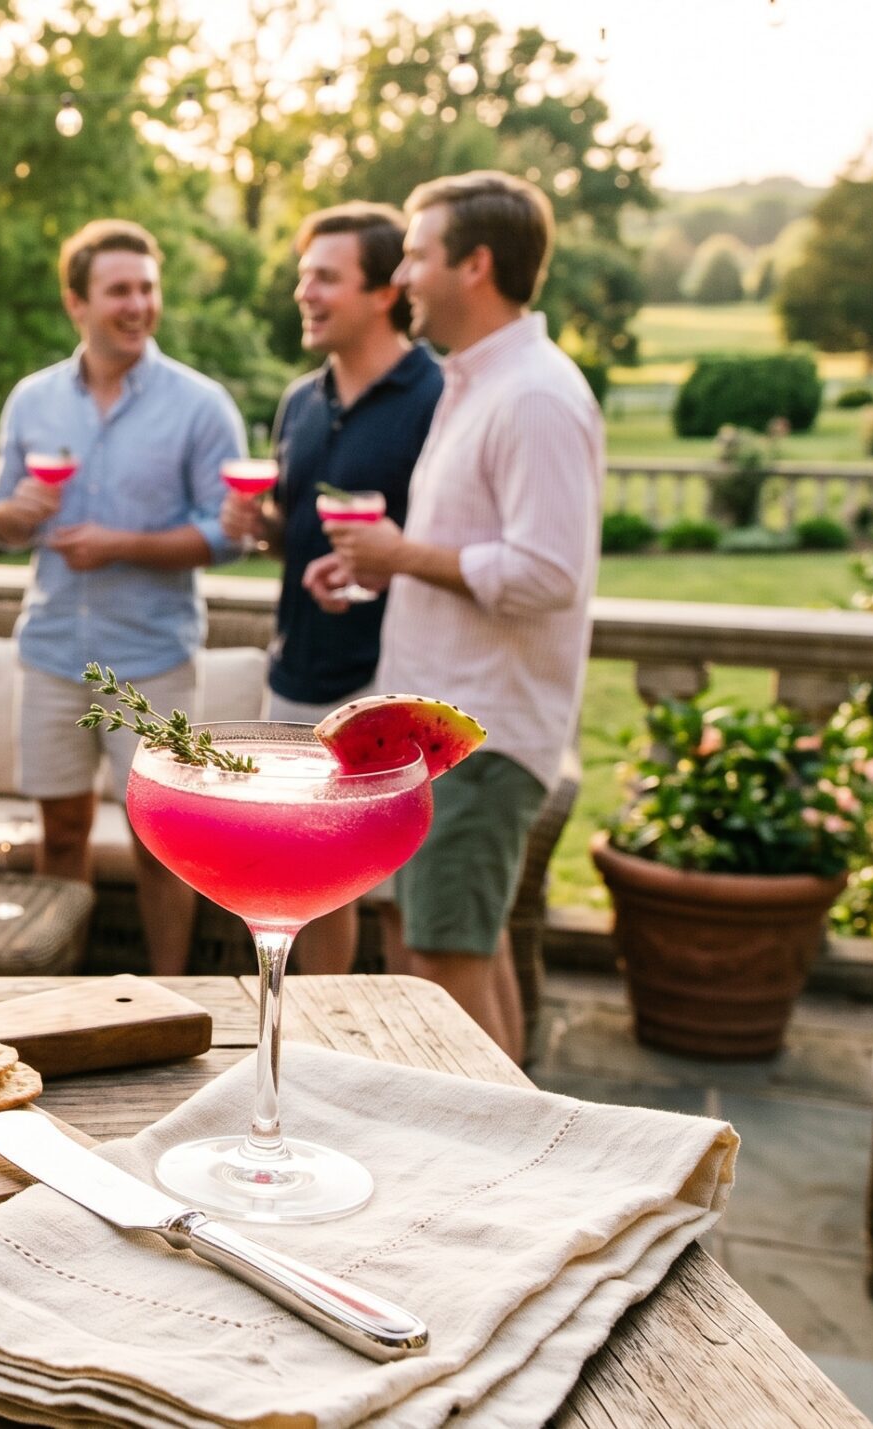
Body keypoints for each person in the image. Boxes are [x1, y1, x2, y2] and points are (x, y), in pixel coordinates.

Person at [307, 171, 603, 1061]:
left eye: (418, 255)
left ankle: (497, 1176)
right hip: (446, 726)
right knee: (464, 951)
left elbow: (548, 573)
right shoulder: (478, 384)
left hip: (483, 735)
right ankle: (511, 1152)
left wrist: (399, 555)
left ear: (476, 264)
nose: (403, 276)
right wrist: (376, 571)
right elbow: (470, 554)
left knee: (445, 962)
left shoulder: (535, 397)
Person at [0, 219, 246, 977]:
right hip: (52, 651)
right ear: (78, 302)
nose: (137, 305)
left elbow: (225, 537)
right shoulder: (33, 400)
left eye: (147, 288)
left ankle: (168, 995)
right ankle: (63, 993)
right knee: (60, 834)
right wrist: (18, 514)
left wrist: (122, 543)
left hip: (153, 656)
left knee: (164, 841)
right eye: (118, 291)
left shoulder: (201, 405)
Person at [222, 202, 443, 978]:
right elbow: (296, 534)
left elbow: (435, 540)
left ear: (385, 291)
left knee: (399, 895)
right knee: (306, 884)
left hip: (390, 679)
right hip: (296, 674)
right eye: (301, 276)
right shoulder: (300, 402)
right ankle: (311, 1046)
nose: (304, 293)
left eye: (325, 277)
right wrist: (260, 522)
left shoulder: (438, 397)